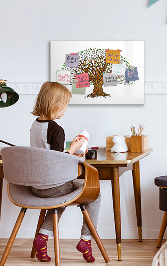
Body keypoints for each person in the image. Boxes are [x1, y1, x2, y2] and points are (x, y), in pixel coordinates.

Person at [30, 81, 100, 263]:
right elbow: (57, 161)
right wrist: (74, 149)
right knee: (95, 194)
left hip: (36, 186)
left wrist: (69, 149)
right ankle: (86, 240)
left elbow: (47, 154)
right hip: (53, 186)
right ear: (56, 105)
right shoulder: (56, 129)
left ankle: (42, 238)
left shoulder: (35, 125)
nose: (66, 109)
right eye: (66, 105)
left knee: (60, 198)